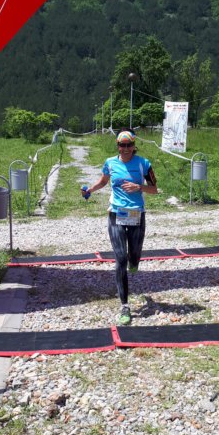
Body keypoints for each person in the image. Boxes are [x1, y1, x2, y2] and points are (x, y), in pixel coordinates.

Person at [81, 130, 158, 325]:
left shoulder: (143, 163)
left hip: (136, 214)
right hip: (116, 213)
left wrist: (139, 187)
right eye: (122, 145)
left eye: (129, 145)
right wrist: (90, 190)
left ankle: (135, 262)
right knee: (121, 259)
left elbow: (154, 189)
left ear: (134, 145)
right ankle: (124, 305)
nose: (125, 149)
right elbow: (103, 181)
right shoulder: (110, 163)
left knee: (134, 256)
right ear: (117, 146)